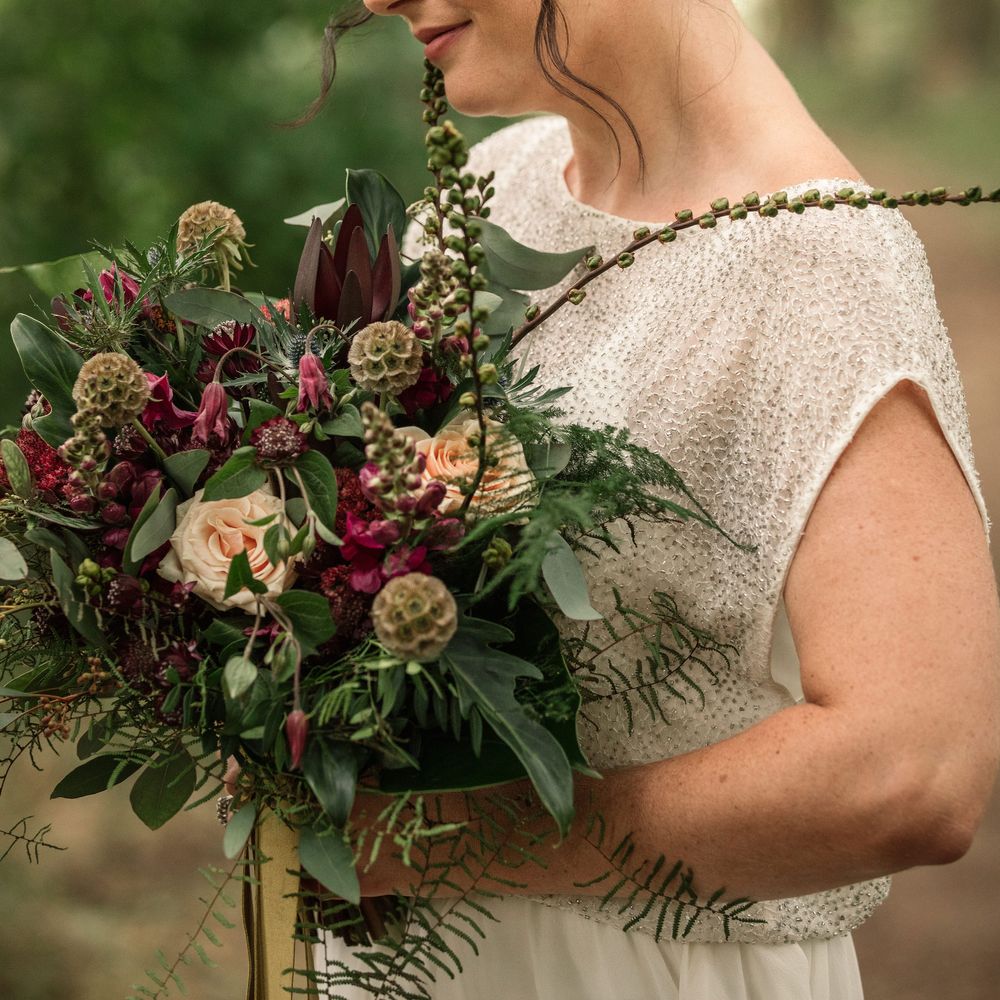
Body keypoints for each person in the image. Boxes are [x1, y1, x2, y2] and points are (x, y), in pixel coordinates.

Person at [307, 2, 1000, 997]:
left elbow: (910, 773)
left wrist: (448, 835)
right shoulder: (501, 185)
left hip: (635, 967)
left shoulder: (820, 267)